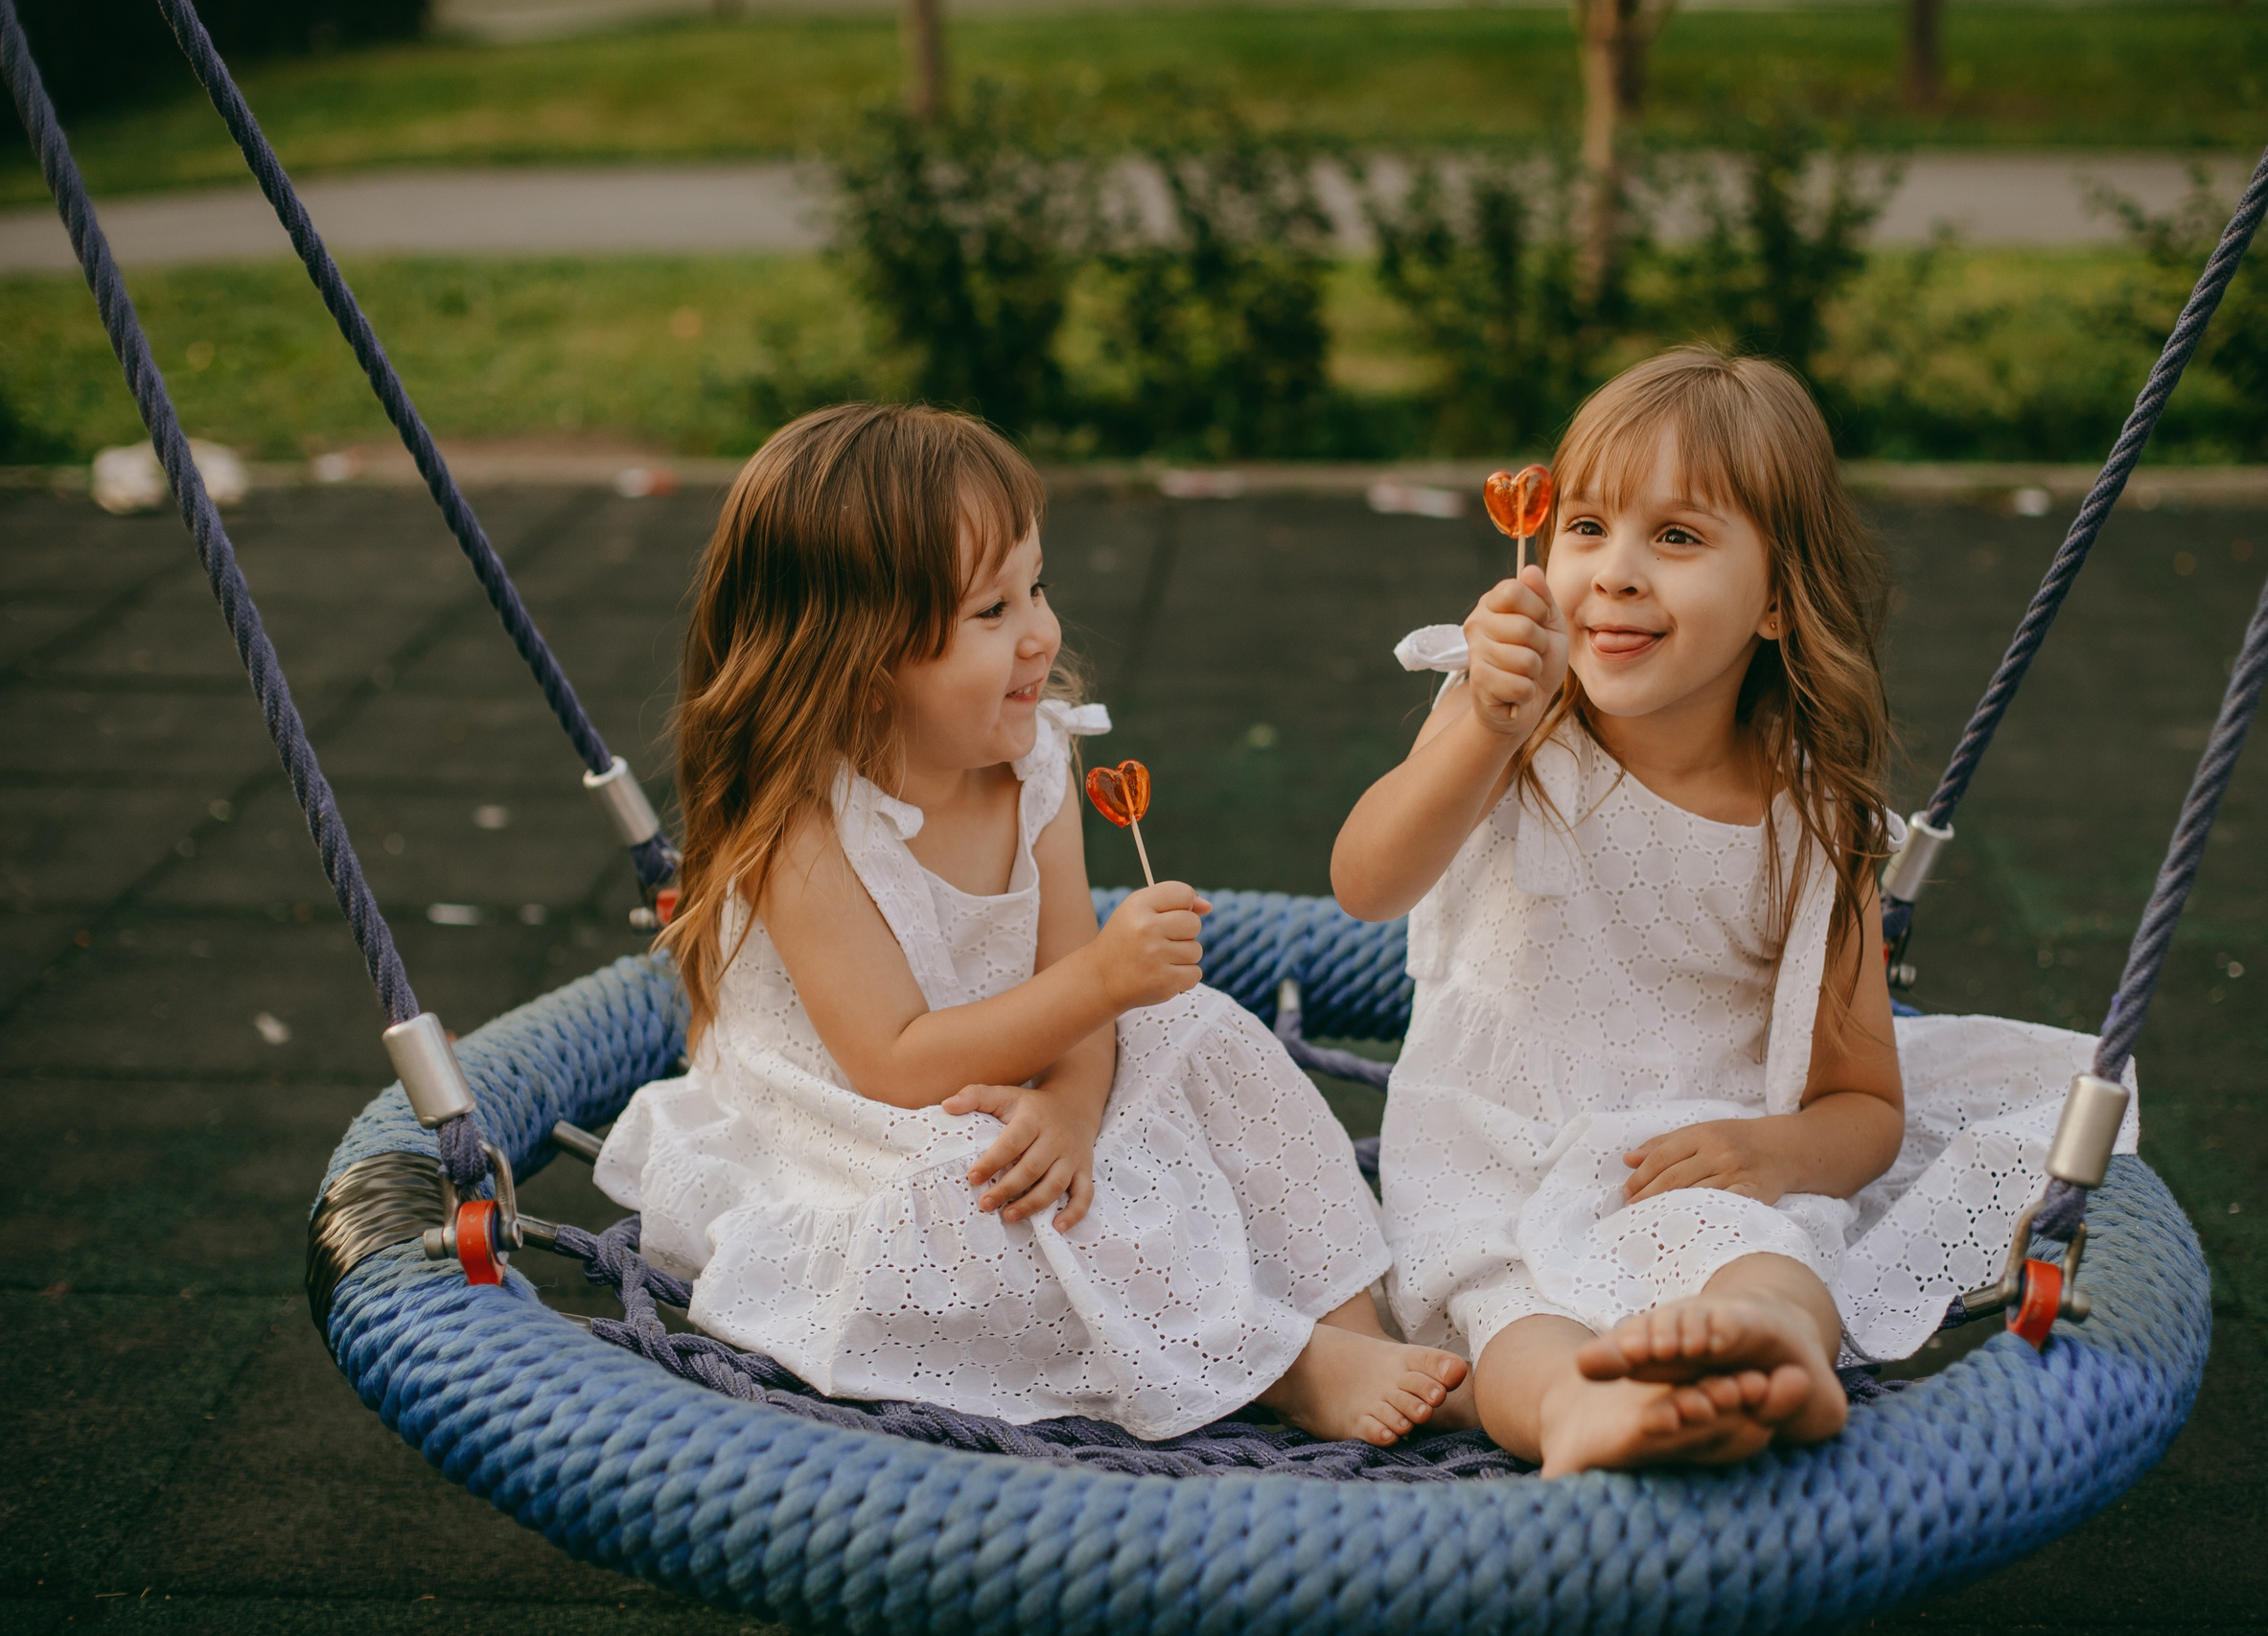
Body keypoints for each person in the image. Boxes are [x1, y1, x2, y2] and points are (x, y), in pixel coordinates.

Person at [1332, 347, 2136, 1476]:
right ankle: (1578, 1412)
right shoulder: (1509, 730)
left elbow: (1863, 1104)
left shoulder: (1812, 820)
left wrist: (1770, 1151)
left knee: (1758, 1253)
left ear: (1774, 601)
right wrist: (1481, 727)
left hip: (1690, 1152)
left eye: (1675, 537)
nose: (1612, 573)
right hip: (1492, 1150)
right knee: (1501, 1315)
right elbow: (1367, 881)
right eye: (1586, 527)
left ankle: (1777, 1349)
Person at [596, 403, 1466, 1445]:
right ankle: (1274, 1362)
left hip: (1022, 1063)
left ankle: (1348, 1319)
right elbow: (896, 1064)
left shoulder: (1034, 763)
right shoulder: (808, 828)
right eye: (991, 612)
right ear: (860, 658)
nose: (1041, 633)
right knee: (976, 1204)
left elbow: (1069, 978)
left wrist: (1071, 1098)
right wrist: (1095, 994)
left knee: (1204, 1032)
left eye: (1035, 586)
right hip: (855, 1122)